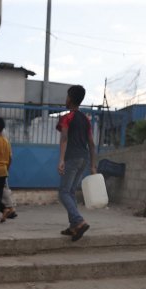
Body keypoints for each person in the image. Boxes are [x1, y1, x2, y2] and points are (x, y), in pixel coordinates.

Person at [56, 85, 96, 242]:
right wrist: (92, 165)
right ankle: (74, 226)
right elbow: (91, 144)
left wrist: (61, 160)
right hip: (84, 158)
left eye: (67, 96)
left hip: (72, 158)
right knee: (71, 192)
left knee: (63, 192)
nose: (65, 99)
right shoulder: (85, 119)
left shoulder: (67, 117)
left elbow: (64, 138)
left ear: (70, 99)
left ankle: (79, 221)